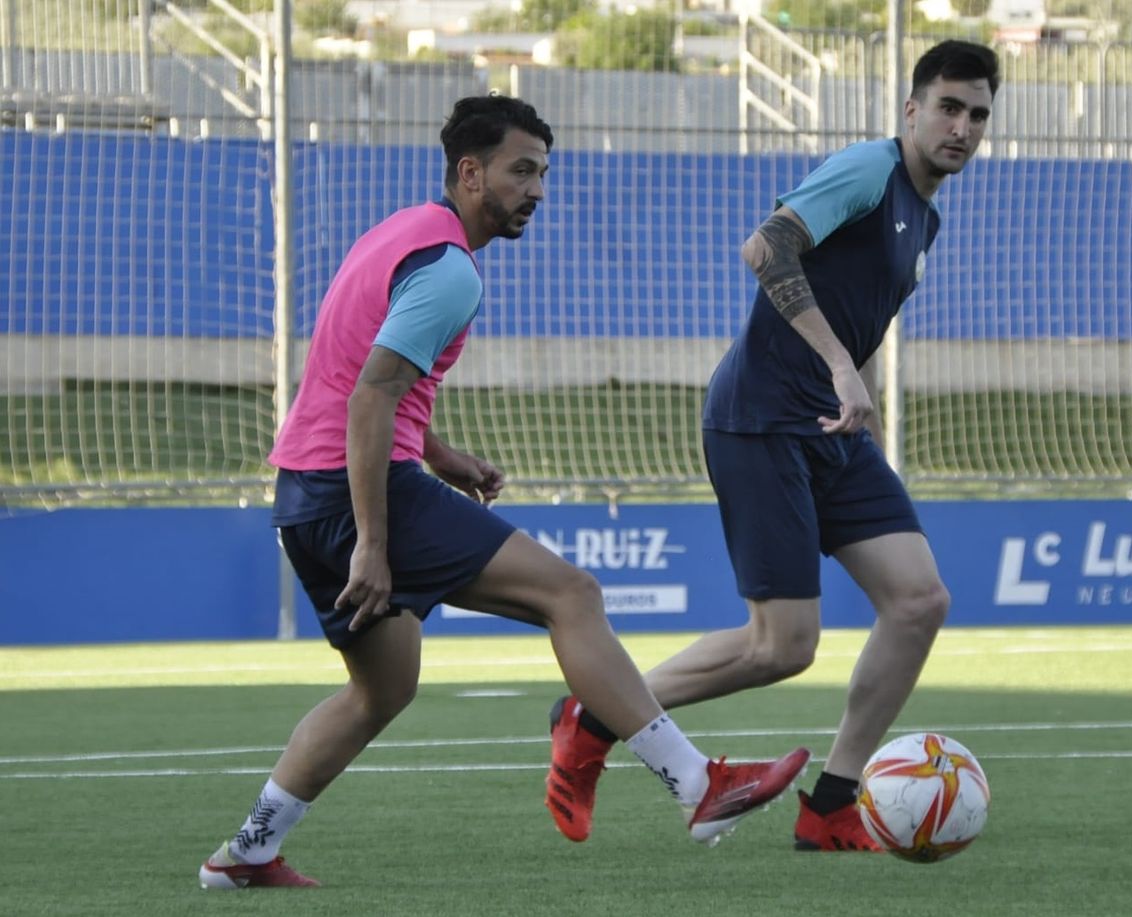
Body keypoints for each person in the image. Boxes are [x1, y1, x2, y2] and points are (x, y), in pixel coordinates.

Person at [198, 96, 809, 890]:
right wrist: (374, 545)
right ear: (470, 171)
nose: (537, 189)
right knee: (572, 593)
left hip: (306, 494)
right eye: (522, 171)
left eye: (543, 173)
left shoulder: (401, 231)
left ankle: (244, 854)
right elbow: (369, 399)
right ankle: (700, 785)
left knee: (381, 690)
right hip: (358, 492)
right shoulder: (451, 269)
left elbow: (357, 378)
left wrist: (443, 454)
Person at [542, 41, 999, 851]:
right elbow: (766, 247)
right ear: (912, 110)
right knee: (781, 644)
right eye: (948, 108)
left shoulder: (925, 218)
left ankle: (831, 805)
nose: (961, 127)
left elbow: (854, 320)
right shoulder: (870, 170)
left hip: (832, 431)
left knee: (920, 600)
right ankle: (593, 713)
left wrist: (862, 408)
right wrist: (837, 367)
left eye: (977, 115)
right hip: (760, 418)